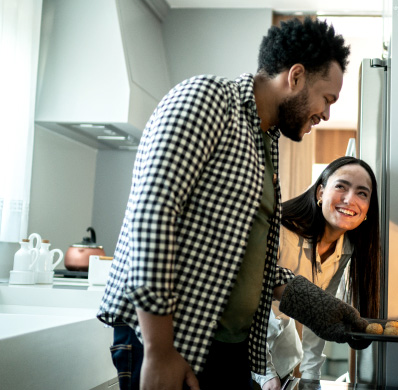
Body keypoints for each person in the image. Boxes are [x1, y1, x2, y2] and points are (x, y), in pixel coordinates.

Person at [97, 17, 369, 390]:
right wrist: (160, 351)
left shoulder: (266, 140)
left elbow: (252, 265)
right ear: (296, 76)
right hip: (173, 343)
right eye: (327, 98)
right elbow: (152, 216)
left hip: (228, 349)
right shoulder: (207, 100)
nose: (326, 114)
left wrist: (328, 311)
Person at [252, 156, 381, 390]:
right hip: (245, 352)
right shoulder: (280, 231)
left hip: (281, 356)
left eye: (362, 193)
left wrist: (312, 377)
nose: (350, 199)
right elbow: (251, 306)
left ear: (368, 209)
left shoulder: (346, 248)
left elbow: (320, 315)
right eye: (341, 186)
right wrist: (264, 371)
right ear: (321, 192)